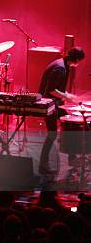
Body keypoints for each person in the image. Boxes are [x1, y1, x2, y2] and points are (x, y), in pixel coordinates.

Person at [38, 47, 85, 175]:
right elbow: (51, 90)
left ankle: (72, 158)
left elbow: (57, 88)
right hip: (48, 105)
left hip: (53, 103)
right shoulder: (60, 68)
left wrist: (67, 95)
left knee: (70, 124)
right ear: (76, 59)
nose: (78, 64)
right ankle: (43, 164)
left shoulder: (63, 64)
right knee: (52, 134)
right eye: (79, 61)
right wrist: (67, 96)